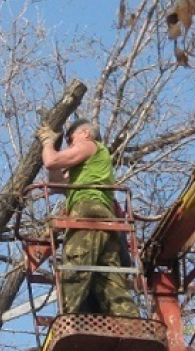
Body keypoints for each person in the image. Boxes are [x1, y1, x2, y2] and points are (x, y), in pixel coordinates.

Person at [36, 119, 140, 318]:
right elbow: (56, 182)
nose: (70, 145)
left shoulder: (89, 145)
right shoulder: (87, 168)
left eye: (71, 139)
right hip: (106, 220)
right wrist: (54, 147)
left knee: (76, 267)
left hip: (87, 213)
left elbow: (51, 161)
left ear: (85, 133)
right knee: (109, 278)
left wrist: (48, 144)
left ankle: (71, 321)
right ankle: (129, 322)